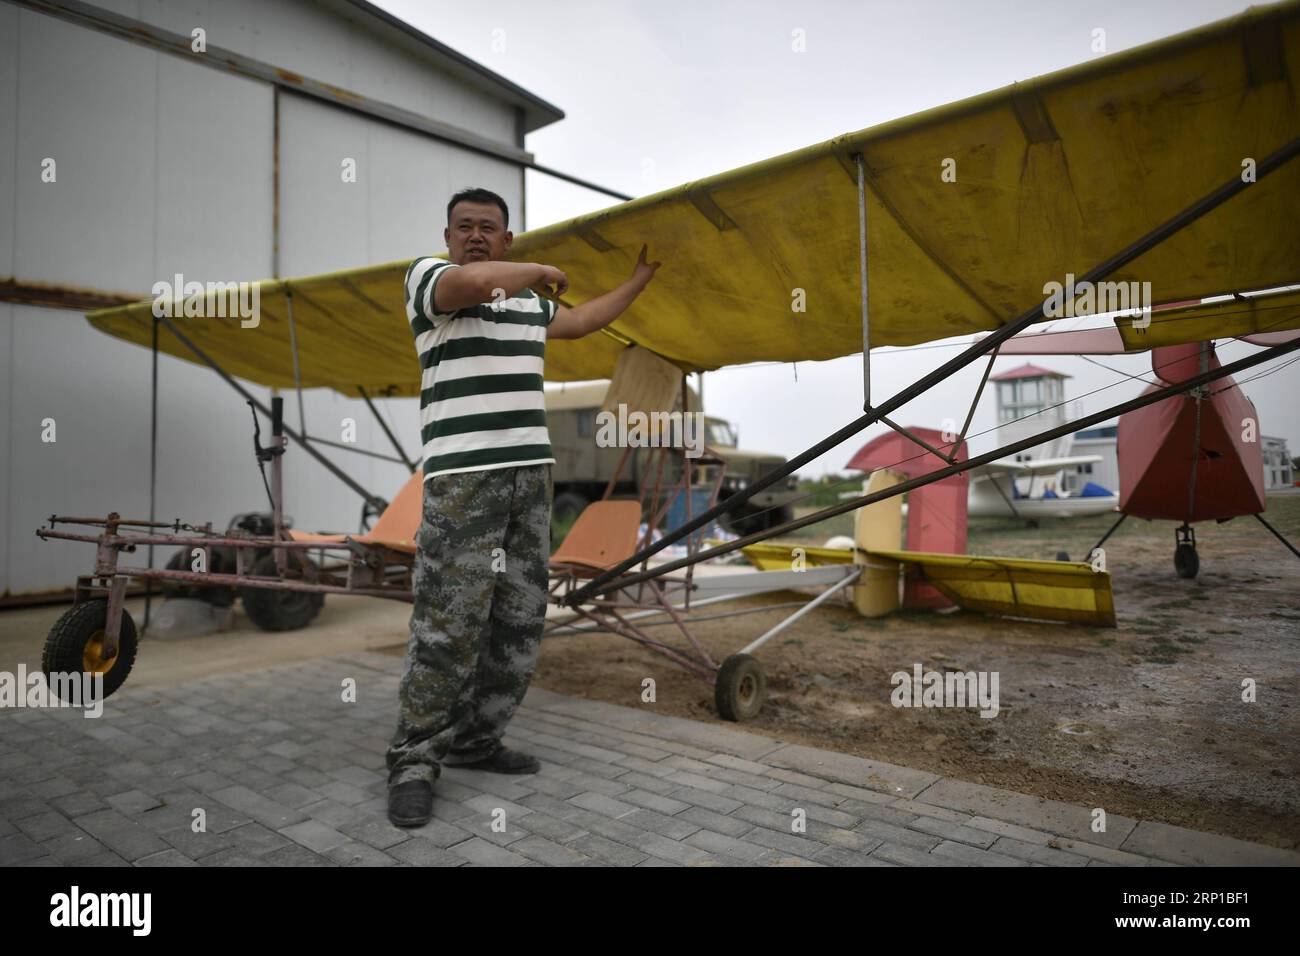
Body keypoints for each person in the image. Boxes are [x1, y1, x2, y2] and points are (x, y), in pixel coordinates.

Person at [387, 187, 661, 827]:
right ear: (449, 237)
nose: (476, 236)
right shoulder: (431, 282)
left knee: (518, 621)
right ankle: (413, 762)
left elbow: (586, 319)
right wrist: (538, 270)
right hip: (463, 481)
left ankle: (476, 743)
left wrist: (639, 279)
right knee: (449, 626)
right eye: (465, 227)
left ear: (507, 238)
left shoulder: (528, 309)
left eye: (489, 228)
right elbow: (475, 282)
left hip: (529, 484)